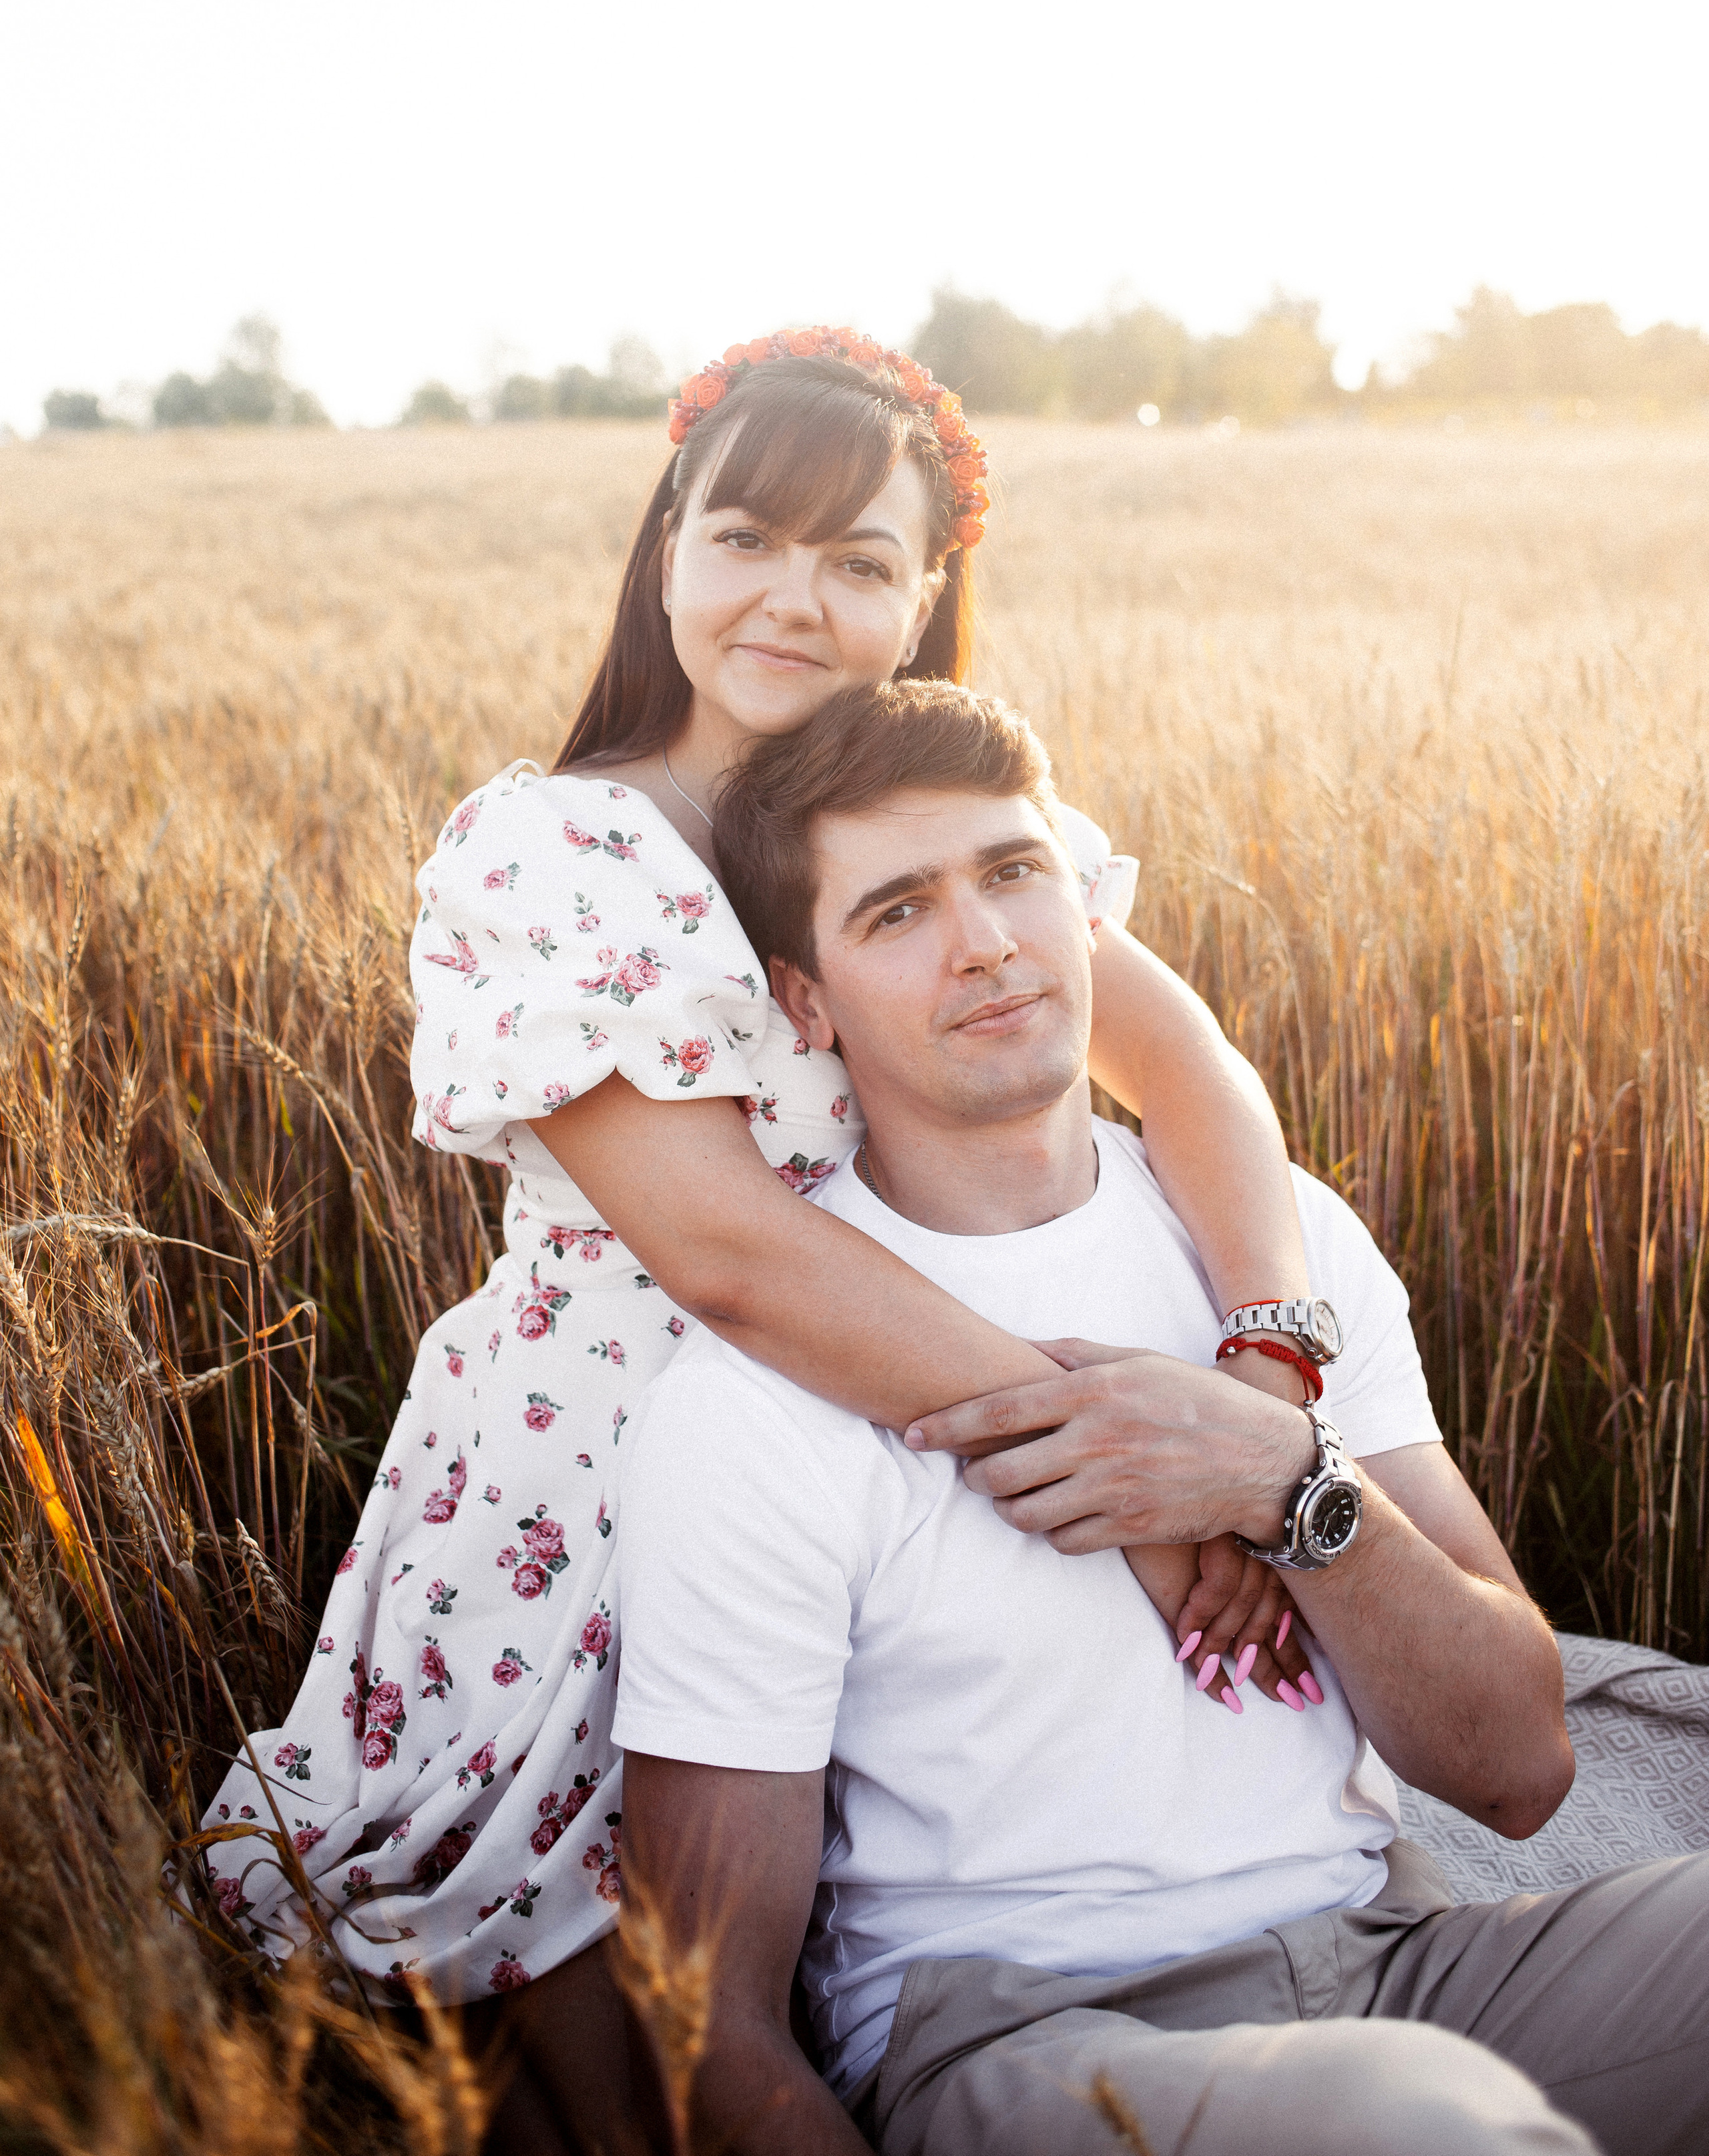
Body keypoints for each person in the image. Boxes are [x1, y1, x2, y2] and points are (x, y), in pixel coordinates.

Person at [200, 329, 1316, 2121]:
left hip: (906, 1451)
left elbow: (1191, 1073)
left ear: (927, 592)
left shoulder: (926, 821)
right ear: (668, 547)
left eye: (860, 562)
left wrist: (1267, 1359)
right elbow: (727, 1253)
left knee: (863, 1960)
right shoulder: (559, 849)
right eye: (747, 541)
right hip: (612, 1487)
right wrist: (1139, 1496)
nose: (793, 601)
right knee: (647, 2037)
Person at [614, 676, 1709, 2156]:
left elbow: (1516, 1767)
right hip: (1034, 2045)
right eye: (897, 912)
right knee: (1412, 2127)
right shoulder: (751, 1403)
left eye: (1012, 874)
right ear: (802, 1001)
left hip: (1397, 1963)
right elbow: (705, 2019)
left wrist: (1284, 1479)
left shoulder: (1281, 1250)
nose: (987, 942)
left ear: (1082, 904)